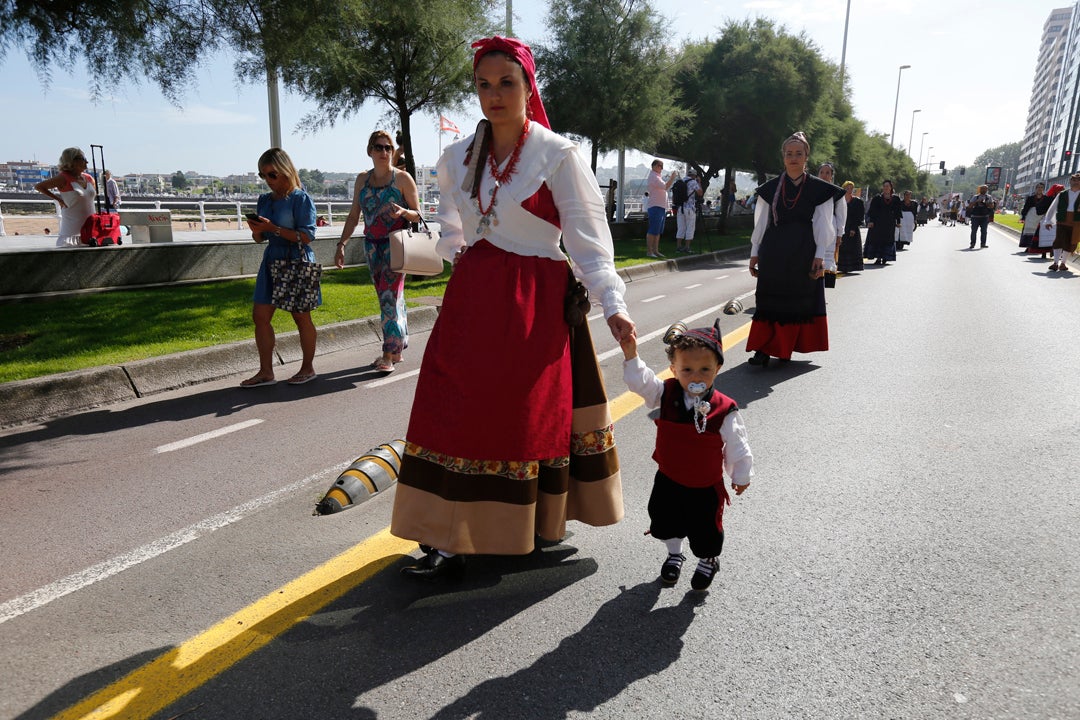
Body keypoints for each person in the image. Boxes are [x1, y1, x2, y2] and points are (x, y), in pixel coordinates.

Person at [391, 36, 636, 580]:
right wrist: (448, 256)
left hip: (534, 301)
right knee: (451, 406)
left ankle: (525, 525)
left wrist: (612, 302)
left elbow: (588, 237)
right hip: (473, 300)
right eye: (483, 85)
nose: (494, 95)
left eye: (506, 83)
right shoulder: (456, 158)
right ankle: (446, 531)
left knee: (520, 415)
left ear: (528, 87)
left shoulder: (556, 154)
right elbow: (455, 233)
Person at [620, 319, 753, 591]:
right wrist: (631, 355)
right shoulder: (665, 393)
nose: (696, 376)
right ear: (674, 369)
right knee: (667, 519)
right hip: (669, 478)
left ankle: (707, 559)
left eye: (705, 369)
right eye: (687, 369)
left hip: (705, 485)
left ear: (717, 369)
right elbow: (641, 383)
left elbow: (737, 444)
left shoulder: (724, 408)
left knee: (706, 529)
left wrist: (740, 474)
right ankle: (674, 554)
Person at [746, 132, 842, 367]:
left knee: (797, 300)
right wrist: (754, 252)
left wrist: (820, 256)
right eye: (789, 154)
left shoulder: (819, 189)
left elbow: (823, 223)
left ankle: (786, 347)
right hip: (774, 250)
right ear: (783, 157)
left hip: (804, 250)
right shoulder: (770, 189)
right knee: (768, 299)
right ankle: (763, 349)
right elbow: (761, 222)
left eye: (798, 153)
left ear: (806, 157)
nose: (793, 158)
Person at [335, 130, 421, 373]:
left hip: (396, 245)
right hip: (372, 246)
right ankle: (398, 348)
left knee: (389, 297)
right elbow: (354, 216)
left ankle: (387, 355)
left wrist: (403, 213)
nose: (384, 152)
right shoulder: (362, 179)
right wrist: (341, 244)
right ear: (370, 151)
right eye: (379, 147)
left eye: (388, 148)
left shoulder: (402, 179)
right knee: (391, 298)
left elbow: (418, 213)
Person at [240, 148, 319, 388]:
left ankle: (308, 368)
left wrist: (273, 228)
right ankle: (266, 372)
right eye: (263, 176)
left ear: (285, 170)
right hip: (272, 260)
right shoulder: (264, 200)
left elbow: (307, 236)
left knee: (300, 316)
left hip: (296, 259)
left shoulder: (300, 198)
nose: (268, 180)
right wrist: (257, 231)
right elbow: (260, 238)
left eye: (272, 174)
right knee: (260, 316)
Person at [34, 147, 96, 248]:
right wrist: (59, 200)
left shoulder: (89, 178)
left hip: (91, 229)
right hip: (72, 230)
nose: (87, 161)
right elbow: (39, 186)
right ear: (72, 161)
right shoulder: (63, 178)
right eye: (83, 159)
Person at [1041, 172, 1080, 272]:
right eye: (1073, 180)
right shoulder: (1062, 194)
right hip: (1062, 221)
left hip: (1076, 223)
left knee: (1070, 243)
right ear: (1070, 181)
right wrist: (1048, 221)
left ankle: (1063, 263)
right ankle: (1055, 263)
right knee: (1058, 241)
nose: (1075, 182)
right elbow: (1053, 208)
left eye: (1078, 180)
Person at [815, 162, 846, 272]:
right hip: (813, 224)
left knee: (826, 256)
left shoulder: (837, 192)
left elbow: (841, 214)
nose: (824, 175)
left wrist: (839, 234)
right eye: (822, 172)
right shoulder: (812, 189)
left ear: (831, 176)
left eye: (827, 173)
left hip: (829, 225)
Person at [863, 180, 902, 266]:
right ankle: (878, 257)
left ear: (891, 188)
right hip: (878, 223)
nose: (886, 188)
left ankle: (885, 257)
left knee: (888, 240)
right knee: (878, 239)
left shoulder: (895, 199)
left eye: (888, 186)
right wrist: (871, 221)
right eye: (884, 186)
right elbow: (872, 211)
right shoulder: (877, 198)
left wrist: (898, 222)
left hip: (889, 224)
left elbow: (898, 212)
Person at [645, 159, 677, 258]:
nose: (662, 168)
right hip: (655, 206)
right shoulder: (654, 177)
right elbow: (665, 186)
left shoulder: (657, 176)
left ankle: (656, 250)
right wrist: (672, 178)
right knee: (653, 230)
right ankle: (650, 251)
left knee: (658, 230)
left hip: (660, 207)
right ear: (654, 166)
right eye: (660, 166)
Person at [674, 167, 703, 254]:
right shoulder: (693, 182)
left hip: (680, 208)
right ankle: (687, 247)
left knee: (681, 228)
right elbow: (700, 193)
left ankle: (678, 247)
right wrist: (699, 182)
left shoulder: (681, 181)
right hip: (689, 208)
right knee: (690, 227)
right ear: (694, 175)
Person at [838, 181, 865, 273]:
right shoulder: (839, 200)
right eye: (847, 188)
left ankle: (851, 267)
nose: (849, 190)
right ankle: (841, 267)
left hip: (852, 228)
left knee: (851, 247)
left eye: (851, 188)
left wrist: (854, 228)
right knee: (841, 246)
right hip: (842, 226)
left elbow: (859, 216)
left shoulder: (857, 201)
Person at [966, 184, 996, 249]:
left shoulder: (989, 197)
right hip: (975, 216)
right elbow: (970, 206)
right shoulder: (975, 197)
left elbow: (992, 206)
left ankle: (983, 244)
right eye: (983, 189)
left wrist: (986, 203)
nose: (984, 190)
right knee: (974, 231)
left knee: (984, 231)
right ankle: (972, 243)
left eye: (985, 189)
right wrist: (977, 201)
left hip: (985, 217)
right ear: (980, 189)